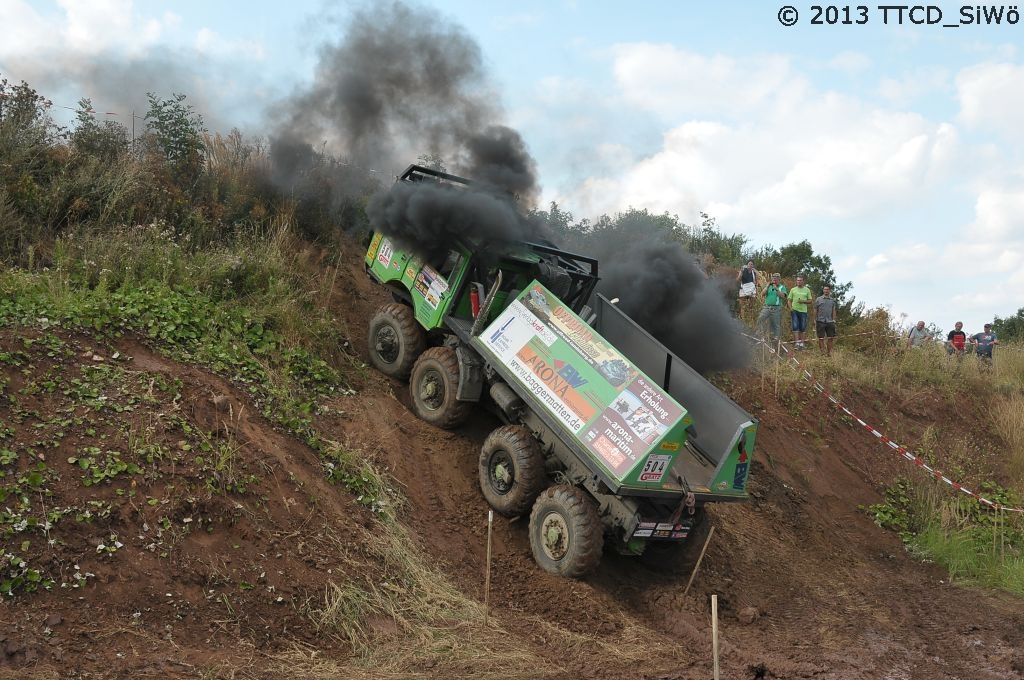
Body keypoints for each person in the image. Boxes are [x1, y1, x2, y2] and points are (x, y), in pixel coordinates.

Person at [756, 273, 788, 346]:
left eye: (776, 278)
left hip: (776, 308)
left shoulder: (782, 287)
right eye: (773, 278)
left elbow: (783, 296)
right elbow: (762, 294)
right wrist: (767, 286)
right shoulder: (769, 286)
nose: (774, 280)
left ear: (779, 279)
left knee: (776, 324)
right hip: (767, 307)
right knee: (760, 318)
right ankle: (761, 334)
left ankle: (776, 339)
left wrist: (776, 289)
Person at [787, 274, 813, 349]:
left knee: (803, 327)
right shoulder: (793, 289)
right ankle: (796, 343)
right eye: (797, 280)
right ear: (796, 281)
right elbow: (789, 300)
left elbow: (810, 301)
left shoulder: (807, 290)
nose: (799, 282)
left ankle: (802, 343)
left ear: (803, 281)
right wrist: (791, 308)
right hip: (794, 310)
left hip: (803, 311)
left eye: (800, 280)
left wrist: (803, 301)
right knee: (795, 326)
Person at [813, 285, 838, 356]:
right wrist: (814, 320)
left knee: (830, 338)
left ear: (829, 291)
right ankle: (822, 353)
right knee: (821, 338)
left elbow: (834, 310)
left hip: (830, 321)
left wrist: (834, 320)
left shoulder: (832, 300)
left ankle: (829, 353)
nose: (826, 291)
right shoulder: (818, 299)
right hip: (820, 321)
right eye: (825, 289)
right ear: (823, 290)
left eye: (827, 289)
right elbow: (815, 310)